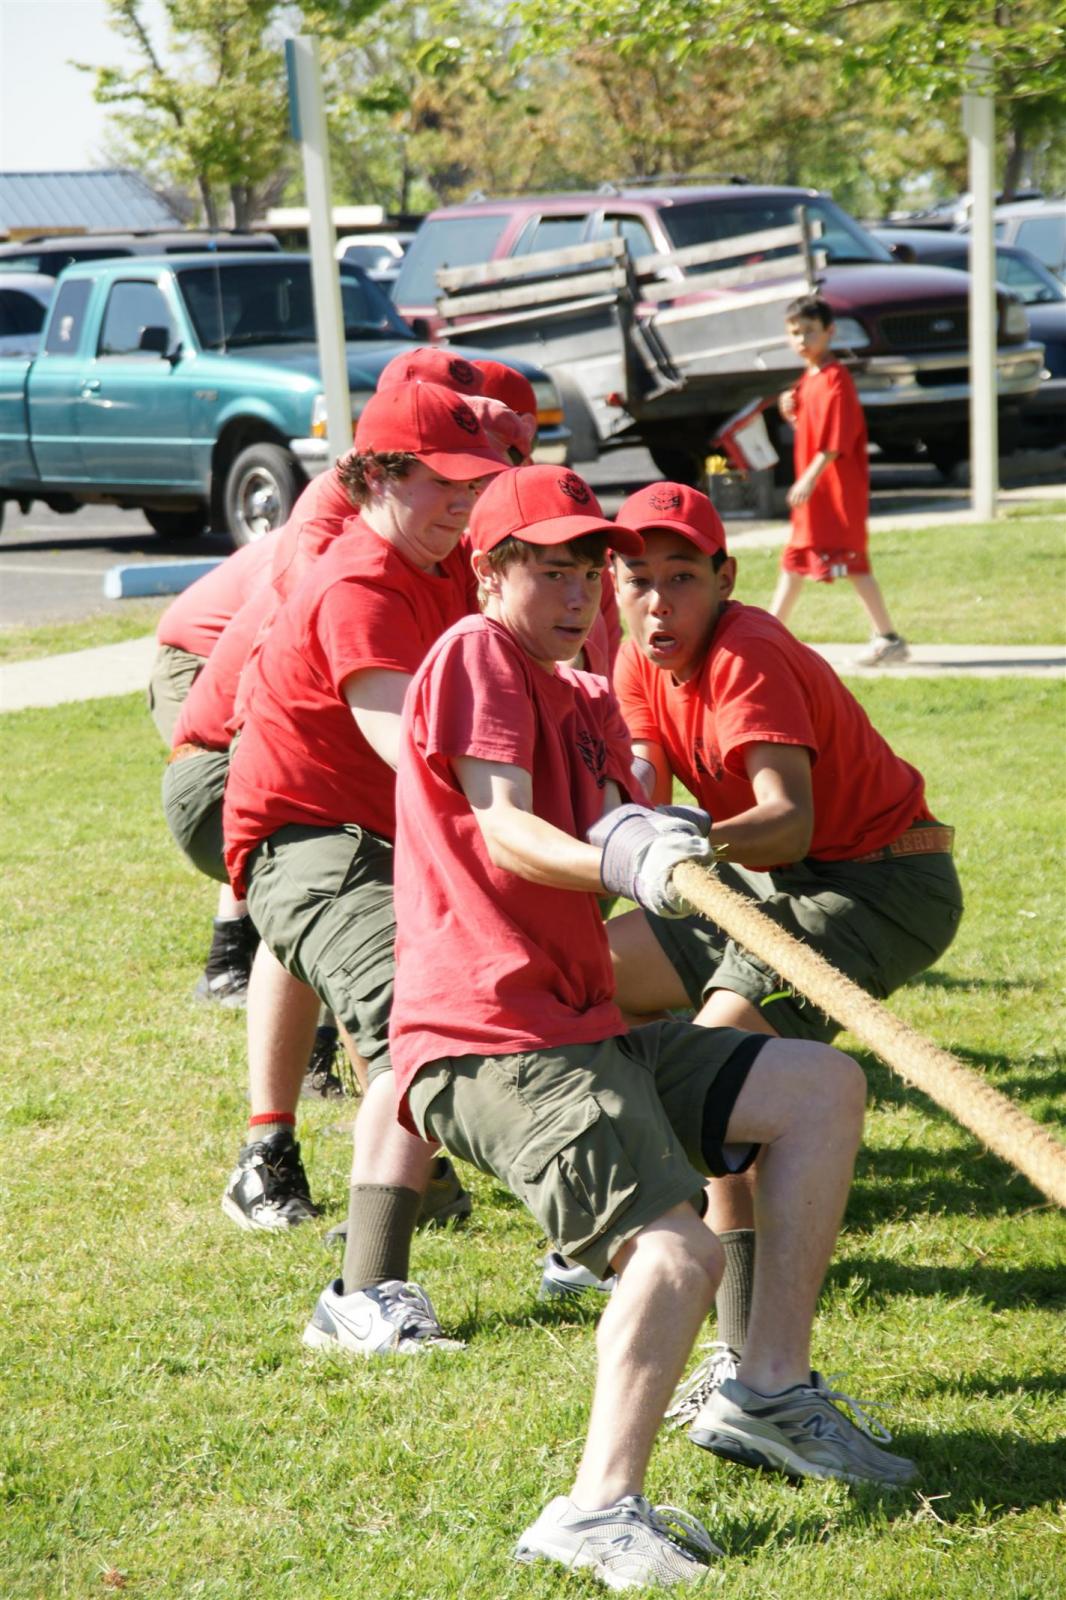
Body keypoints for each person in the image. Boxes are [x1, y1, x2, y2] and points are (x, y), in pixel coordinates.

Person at [367, 464, 915, 1590]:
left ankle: (766, 1390)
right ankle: (593, 1510)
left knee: (819, 1086)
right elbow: (506, 828)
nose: (580, 593)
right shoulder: (476, 655)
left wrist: (660, 833)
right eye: (551, 570)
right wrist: (628, 859)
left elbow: (622, 818)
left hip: (584, 1026)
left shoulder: (580, 696)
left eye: (589, 571)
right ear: (489, 574)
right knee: (677, 1250)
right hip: (492, 1038)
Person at [604, 478, 962, 1414]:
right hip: (764, 881)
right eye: (637, 579)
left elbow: (787, 820)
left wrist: (690, 840)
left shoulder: (747, 652)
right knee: (588, 979)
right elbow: (643, 778)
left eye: (682, 577)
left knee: (721, 1072)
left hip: (878, 884)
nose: (657, 601)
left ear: (725, 578)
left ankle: (753, 1370)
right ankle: (619, 1226)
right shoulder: (638, 654)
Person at [221, 382, 506, 1338]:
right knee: (416, 1018)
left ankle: (567, 1230)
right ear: (377, 477)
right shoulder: (360, 583)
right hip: (308, 838)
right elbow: (417, 753)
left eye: (474, 484)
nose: (463, 503)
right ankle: (359, 1298)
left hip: (396, 830)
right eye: (442, 482)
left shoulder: (448, 562)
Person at [150, 535, 278, 1005]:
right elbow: (265, 647)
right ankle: (226, 964)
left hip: (230, 663)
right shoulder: (300, 553)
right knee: (246, 801)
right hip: (194, 660)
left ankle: (247, 951)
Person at [770, 294, 908, 668]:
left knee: (852, 562)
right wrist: (790, 413)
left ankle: (888, 637)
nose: (802, 339)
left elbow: (835, 441)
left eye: (810, 331)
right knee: (795, 559)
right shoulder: (809, 380)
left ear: (830, 331)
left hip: (835, 491)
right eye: (795, 332)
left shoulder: (836, 379)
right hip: (816, 493)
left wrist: (808, 479)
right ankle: (768, 636)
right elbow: (811, 431)